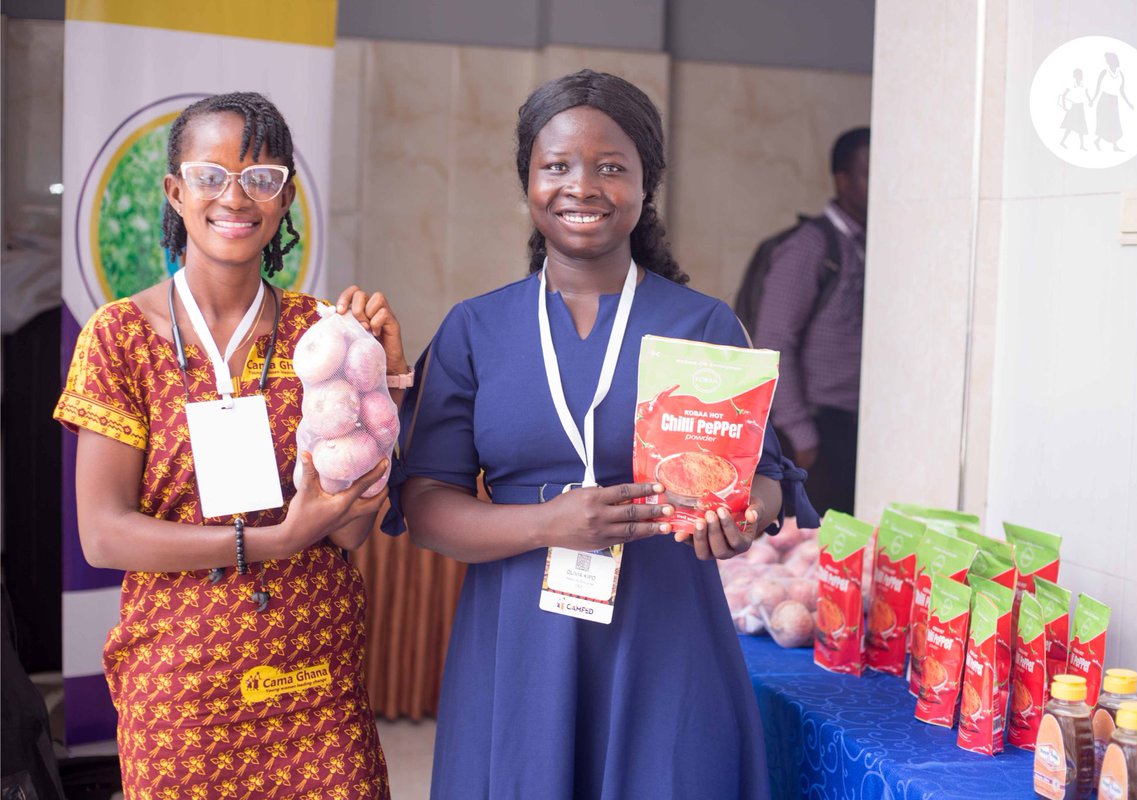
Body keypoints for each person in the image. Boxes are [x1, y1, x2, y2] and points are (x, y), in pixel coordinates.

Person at [391, 69, 817, 800]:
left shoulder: (704, 325)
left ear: (646, 184)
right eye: (555, 165)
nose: (581, 186)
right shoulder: (476, 329)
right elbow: (425, 505)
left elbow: (769, 480)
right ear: (527, 179)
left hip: (667, 636)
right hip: (519, 637)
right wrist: (545, 523)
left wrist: (741, 520)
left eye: (611, 167)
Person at [53, 92, 405, 800]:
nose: (234, 196)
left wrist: (386, 390)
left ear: (283, 199)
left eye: (260, 177)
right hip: (180, 690)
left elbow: (354, 529)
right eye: (210, 177)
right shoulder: (119, 336)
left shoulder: (322, 333)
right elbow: (103, 535)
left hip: (312, 679)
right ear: (176, 193)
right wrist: (273, 541)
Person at [752, 126, 869, 517]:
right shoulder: (811, 246)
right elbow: (773, 340)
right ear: (842, 180)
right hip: (817, 430)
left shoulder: (871, 243)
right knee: (809, 552)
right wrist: (802, 433)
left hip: (858, 426)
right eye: (869, 175)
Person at [1089, 52, 1134, 151]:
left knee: (1114, 123)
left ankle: (1101, 142)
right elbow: (1098, 88)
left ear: (1112, 60)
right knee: (1105, 122)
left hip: (1114, 100)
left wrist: (1129, 103)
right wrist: (1092, 100)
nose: (1106, 61)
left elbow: (1122, 90)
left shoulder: (1120, 74)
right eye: (1106, 59)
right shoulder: (1104, 72)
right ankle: (1113, 146)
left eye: (1107, 59)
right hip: (1104, 99)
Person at [1059, 68, 1090, 149]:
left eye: (1080, 75)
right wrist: (1064, 106)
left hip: (1080, 107)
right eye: (1078, 75)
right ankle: (1062, 142)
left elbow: (1087, 94)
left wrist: (1090, 101)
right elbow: (1063, 95)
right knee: (1069, 126)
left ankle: (1082, 145)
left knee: (1081, 127)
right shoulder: (1071, 84)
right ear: (1075, 76)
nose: (1080, 76)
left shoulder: (1084, 84)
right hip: (1074, 107)